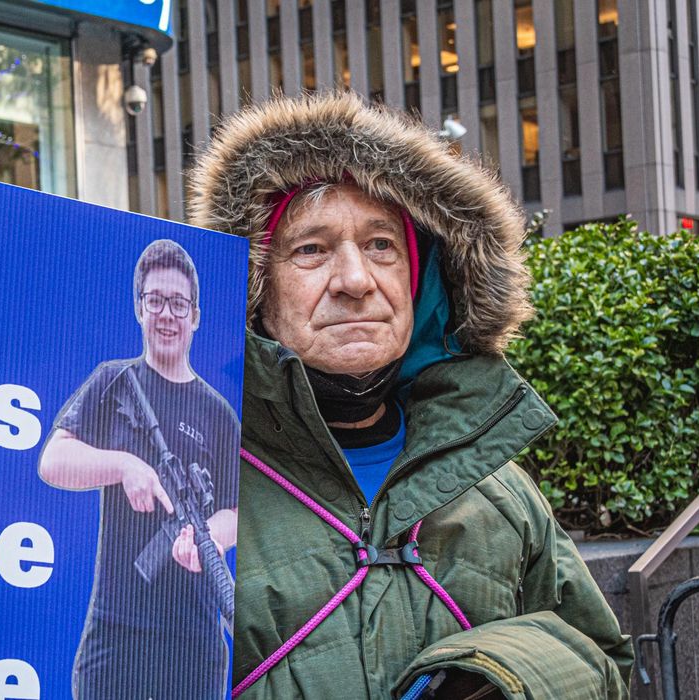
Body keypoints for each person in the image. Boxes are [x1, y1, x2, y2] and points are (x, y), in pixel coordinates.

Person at [187, 92, 633, 698]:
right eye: (311, 249)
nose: (354, 280)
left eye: (381, 246)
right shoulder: (191, 483)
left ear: (421, 286)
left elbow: (602, 660)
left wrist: (504, 677)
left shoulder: (500, 491)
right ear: (254, 292)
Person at [39, 238, 240, 699]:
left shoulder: (219, 414)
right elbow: (53, 461)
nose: (166, 314)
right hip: (116, 628)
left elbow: (234, 508)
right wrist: (125, 465)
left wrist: (207, 535)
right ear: (138, 308)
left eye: (177, 303)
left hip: (193, 639)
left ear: (195, 316)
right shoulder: (113, 381)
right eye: (155, 301)